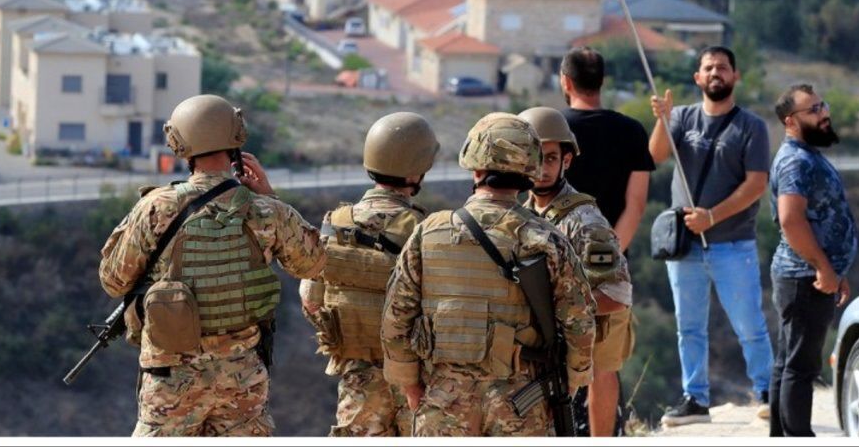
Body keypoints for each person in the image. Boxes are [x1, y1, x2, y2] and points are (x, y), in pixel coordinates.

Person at [99, 94, 327, 437]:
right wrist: (270, 196)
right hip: (242, 380)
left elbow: (113, 281)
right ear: (236, 138)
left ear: (179, 144)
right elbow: (312, 264)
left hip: (170, 379)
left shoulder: (156, 208)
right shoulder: (265, 210)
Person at [380, 113, 594, 436]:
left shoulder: (427, 233)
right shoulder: (547, 239)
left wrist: (410, 385)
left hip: (443, 401)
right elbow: (580, 322)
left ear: (475, 168)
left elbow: (395, 318)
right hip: (520, 404)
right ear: (529, 170)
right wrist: (572, 382)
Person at [649, 46, 774, 426]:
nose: (715, 72)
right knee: (688, 328)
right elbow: (654, 156)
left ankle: (769, 392)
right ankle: (695, 399)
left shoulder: (752, 126)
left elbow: (756, 184)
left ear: (735, 76)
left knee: (749, 326)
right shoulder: (681, 118)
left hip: (733, 245)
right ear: (698, 78)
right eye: (708, 67)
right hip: (685, 246)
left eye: (722, 67)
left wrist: (713, 217)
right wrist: (662, 119)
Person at [300, 112, 439, 437]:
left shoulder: (335, 222)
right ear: (416, 170)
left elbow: (311, 300)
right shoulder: (424, 229)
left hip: (357, 381)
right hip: (414, 384)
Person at [519, 106, 633, 437]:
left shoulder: (585, 220)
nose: (542, 169)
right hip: (543, 340)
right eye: (535, 158)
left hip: (587, 333)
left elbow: (617, 295)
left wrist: (561, 311)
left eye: (551, 158)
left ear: (566, 161)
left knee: (599, 376)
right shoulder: (520, 216)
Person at [768, 84, 858, 437]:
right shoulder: (795, 160)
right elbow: (791, 220)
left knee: (789, 363)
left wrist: (836, 268)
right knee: (800, 368)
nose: (824, 114)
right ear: (791, 121)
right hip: (805, 278)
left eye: (823, 105)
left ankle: (782, 436)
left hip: (810, 274)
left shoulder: (806, 155)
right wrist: (823, 267)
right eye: (814, 110)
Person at [559, 47, 655, 252]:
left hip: (555, 254)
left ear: (566, 82)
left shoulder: (551, 129)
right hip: (611, 255)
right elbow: (636, 205)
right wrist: (609, 256)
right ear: (602, 81)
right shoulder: (632, 130)